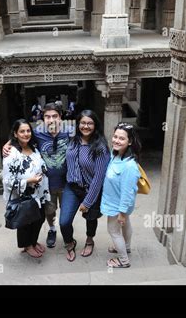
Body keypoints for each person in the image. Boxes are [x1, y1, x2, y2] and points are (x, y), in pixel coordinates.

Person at [3, 103, 73, 248]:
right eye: (47, 117)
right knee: (49, 211)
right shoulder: (38, 133)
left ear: (61, 117)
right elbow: (22, 134)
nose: (51, 120)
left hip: (67, 183)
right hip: (48, 185)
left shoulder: (70, 132)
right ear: (43, 119)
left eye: (55, 116)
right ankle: (52, 230)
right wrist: (8, 143)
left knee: (66, 217)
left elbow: (87, 134)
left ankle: (68, 236)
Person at [60, 110, 110, 262]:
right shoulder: (72, 140)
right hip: (72, 187)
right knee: (64, 222)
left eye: (90, 123)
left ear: (95, 126)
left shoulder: (100, 147)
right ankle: (70, 243)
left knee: (90, 217)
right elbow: (42, 134)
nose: (86, 126)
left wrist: (87, 202)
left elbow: (98, 178)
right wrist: (10, 142)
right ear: (78, 124)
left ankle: (89, 240)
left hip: (91, 189)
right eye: (83, 123)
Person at [2, 119, 50, 258]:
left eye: (28, 130)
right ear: (15, 134)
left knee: (39, 218)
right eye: (22, 131)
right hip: (24, 195)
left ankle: (33, 242)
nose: (26, 134)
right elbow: (8, 180)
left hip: (39, 193)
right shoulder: (12, 153)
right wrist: (30, 180)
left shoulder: (33, 146)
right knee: (26, 220)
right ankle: (27, 246)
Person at [101, 122, 141, 268]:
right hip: (115, 202)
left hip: (118, 205)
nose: (116, 141)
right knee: (125, 226)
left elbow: (127, 192)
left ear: (130, 141)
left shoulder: (130, 166)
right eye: (115, 136)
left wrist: (122, 213)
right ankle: (127, 247)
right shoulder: (116, 155)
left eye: (121, 138)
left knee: (113, 231)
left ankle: (123, 260)